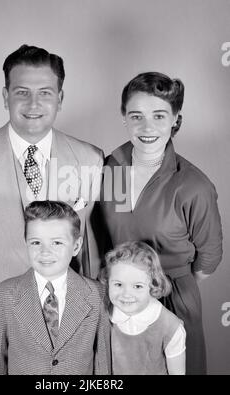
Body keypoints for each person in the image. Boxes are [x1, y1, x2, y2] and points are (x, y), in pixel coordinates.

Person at [0, 45, 103, 373]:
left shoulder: (91, 159)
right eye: (22, 92)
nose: (33, 104)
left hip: (70, 324)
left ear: (60, 97)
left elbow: (92, 247)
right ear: (5, 95)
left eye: (45, 92)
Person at [100, 72, 223, 375]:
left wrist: (166, 284)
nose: (147, 127)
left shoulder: (193, 185)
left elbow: (208, 258)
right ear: (124, 118)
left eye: (159, 115)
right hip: (121, 295)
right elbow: (112, 229)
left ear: (175, 119)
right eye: (136, 115)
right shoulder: (113, 166)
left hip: (172, 298)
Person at [0, 200, 111, 375]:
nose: (45, 252)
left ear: (76, 246)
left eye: (57, 243)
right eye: (36, 242)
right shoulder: (4, 295)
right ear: (26, 243)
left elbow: (102, 365)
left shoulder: (96, 294)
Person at [101, 241, 186, 375]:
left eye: (137, 286)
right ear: (108, 282)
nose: (126, 294)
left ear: (153, 285)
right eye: (118, 284)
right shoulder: (102, 315)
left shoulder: (171, 327)